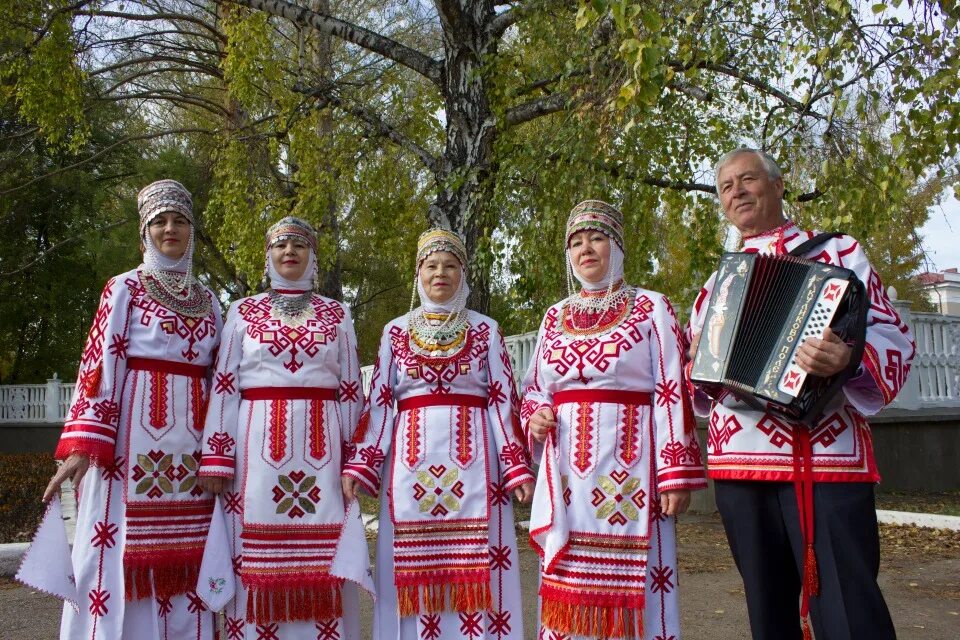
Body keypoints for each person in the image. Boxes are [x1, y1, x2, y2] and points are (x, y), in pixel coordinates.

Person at [686, 148, 916, 640]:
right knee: (767, 614)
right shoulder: (715, 285)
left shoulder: (840, 253)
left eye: (747, 180)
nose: (737, 192)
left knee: (849, 611)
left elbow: (896, 337)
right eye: (726, 187)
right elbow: (699, 380)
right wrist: (697, 371)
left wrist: (848, 357)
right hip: (739, 464)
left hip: (825, 456)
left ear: (778, 185)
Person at [43, 179, 223, 639]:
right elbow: (99, 367)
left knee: (189, 563)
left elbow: (221, 380)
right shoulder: (123, 288)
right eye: (159, 221)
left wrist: (221, 452)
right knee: (114, 555)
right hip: (128, 450)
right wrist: (83, 446)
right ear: (145, 232)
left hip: (192, 455)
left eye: (179, 221)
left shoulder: (209, 303)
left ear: (192, 230)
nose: (170, 229)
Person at [522, 200, 706, 640]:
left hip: (634, 475)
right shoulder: (554, 316)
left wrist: (675, 473)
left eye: (597, 238)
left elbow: (670, 388)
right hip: (567, 478)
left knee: (640, 593)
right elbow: (533, 388)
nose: (586, 249)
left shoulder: (651, 307)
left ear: (617, 246)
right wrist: (538, 415)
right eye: (577, 242)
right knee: (568, 591)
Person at [341, 228, 534, 640]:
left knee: (481, 570)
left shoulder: (487, 330)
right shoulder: (395, 332)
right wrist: (361, 467)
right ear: (418, 274)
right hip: (409, 473)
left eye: (450, 265)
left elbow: (503, 399)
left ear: (463, 274)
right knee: (409, 575)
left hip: (479, 471)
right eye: (431, 265)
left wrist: (516, 467)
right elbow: (379, 403)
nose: (440, 273)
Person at [197, 216, 367, 639]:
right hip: (253, 455)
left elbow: (349, 388)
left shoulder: (337, 313)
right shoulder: (242, 311)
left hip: (323, 453)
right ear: (267, 256)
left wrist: (355, 461)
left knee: (327, 559)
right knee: (249, 562)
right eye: (279, 245)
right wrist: (216, 457)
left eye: (298, 245)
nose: (289, 252)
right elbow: (224, 384)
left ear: (313, 257)